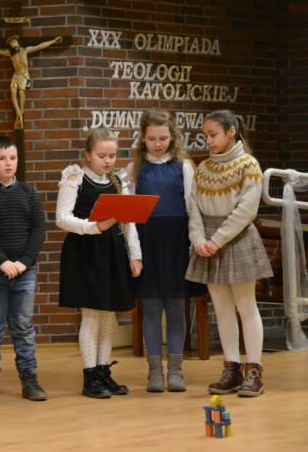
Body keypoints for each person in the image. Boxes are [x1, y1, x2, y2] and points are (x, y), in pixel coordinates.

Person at [186, 110, 273, 397]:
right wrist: (199, 239)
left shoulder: (248, 164)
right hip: (208, 243)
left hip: (237, 239)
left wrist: (217, 240)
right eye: (206, 136)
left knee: (246, 307)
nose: (208, 141)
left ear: (231, 131)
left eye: (213, 135)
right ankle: (231, 369)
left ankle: (254, 372)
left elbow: (246, 210)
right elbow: (194, 208)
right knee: (222, 309)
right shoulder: (203, 168)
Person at [56, 128, 143, 398]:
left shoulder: (118, 181)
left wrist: (135, 254)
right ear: (87, 155)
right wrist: (94, 226)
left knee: (108, 316)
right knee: (92, 316)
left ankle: (104, 372)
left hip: (112, 251)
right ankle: (90, 376)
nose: (108, 160)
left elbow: (129, 222)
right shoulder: (75, 178)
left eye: (112, 155)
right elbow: (62, 218)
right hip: (85, 251)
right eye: (101, 155)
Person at [128, 110, 205, 392]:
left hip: (176, 243)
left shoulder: (183, 166)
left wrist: (194, 243)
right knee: (151, 306)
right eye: (152, 139)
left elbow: (193, 208)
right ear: (143, 138)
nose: (158, 143)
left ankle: (175, 370)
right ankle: (154, 372)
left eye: (163, 138)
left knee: (175, 306)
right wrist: (134, 253)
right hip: (147, 242)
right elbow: (129, 217)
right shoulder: (134, 169)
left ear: (172, 137)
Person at [0, 136, 47, 402]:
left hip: (25, 272)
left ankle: (29, 379)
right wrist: (2, 262)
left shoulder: (28, 193)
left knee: (23, 327)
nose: (8, 163)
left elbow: (38, 230)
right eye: (2, 158)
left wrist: (24, 262)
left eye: (13, 158)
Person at [0, 34, 62, 129]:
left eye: (14, 42)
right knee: (12, 92)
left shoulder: (25, 50)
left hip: (24, 75)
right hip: (16, 75)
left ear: (18, 42)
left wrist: (54, 41)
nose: (13, 44)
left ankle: (21, 111)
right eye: (11, 44)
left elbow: (40, 46)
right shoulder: (10, 53)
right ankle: (18, 113)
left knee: (21, 92)